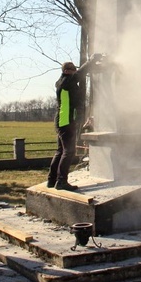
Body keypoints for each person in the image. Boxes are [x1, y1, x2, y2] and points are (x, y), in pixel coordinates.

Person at [47, 54, 102, 191]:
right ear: (66, 71)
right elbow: (80, 74)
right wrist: (91, 60)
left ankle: (51, 180)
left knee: (60, 151)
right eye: (72, 70)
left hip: (61, 119)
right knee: (68, 151)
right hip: (65, 120)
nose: (74, 73)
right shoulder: (67, 81)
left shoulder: (62, 82)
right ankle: (61, 182)